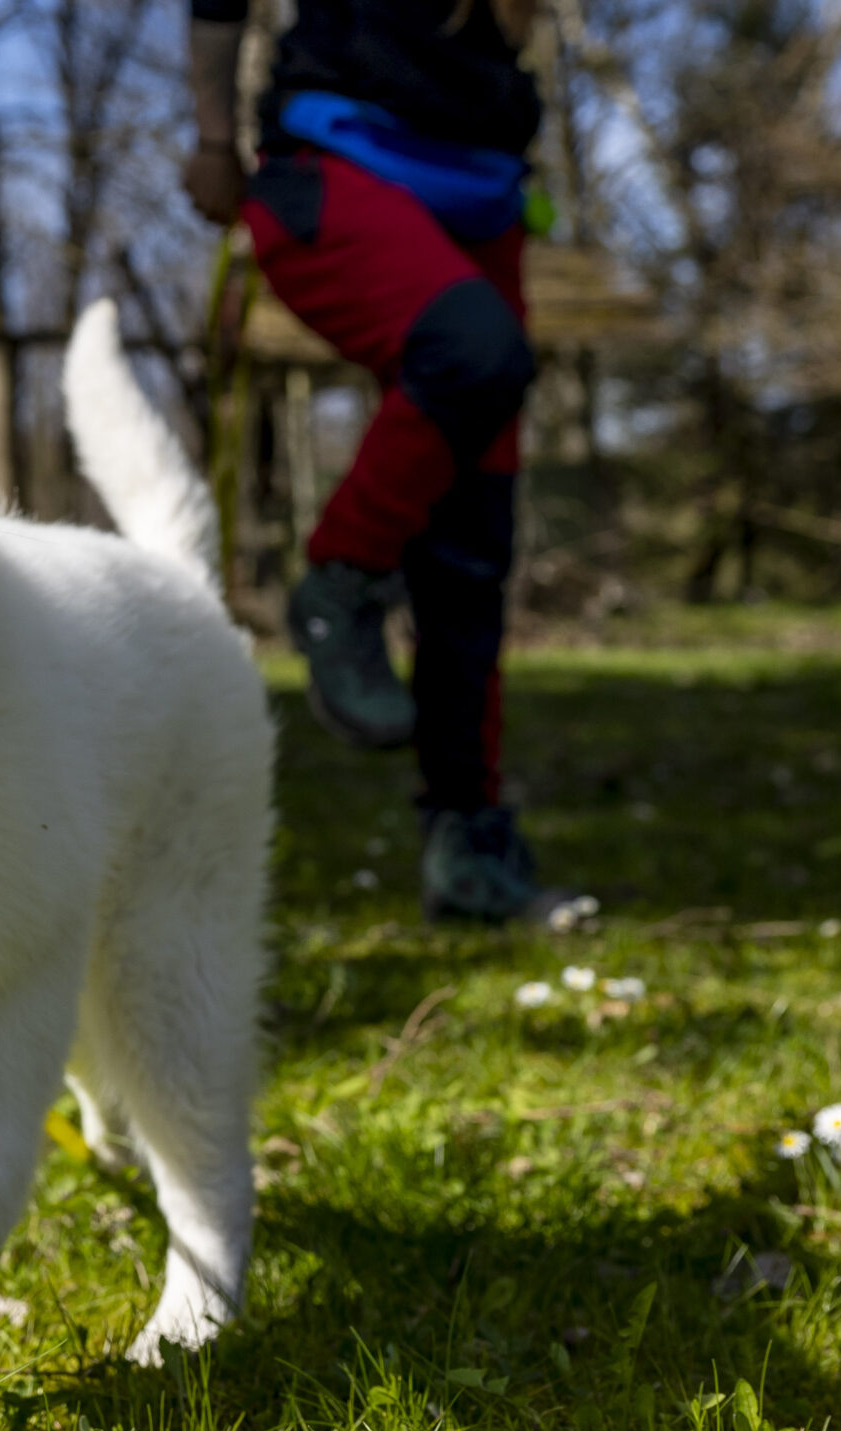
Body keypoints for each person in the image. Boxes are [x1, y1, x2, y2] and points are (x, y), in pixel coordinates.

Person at [183, 0, 550, 922]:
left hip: (484, 189)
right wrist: (216, 140)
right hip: (332, 165)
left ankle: (467, 841)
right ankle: (338, 579)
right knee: (478, 351)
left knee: (475, 536)